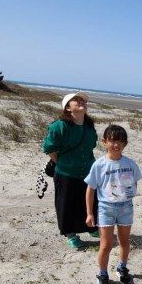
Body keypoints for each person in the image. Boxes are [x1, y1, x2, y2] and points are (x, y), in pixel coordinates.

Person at [84, 124, 142, 284]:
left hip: (126, 208)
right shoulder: (99, 165)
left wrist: (129, 192)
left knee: (124, 241)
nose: (116, 145)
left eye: (120, 141)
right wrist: (89, 213)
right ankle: (102, 275)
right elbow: (90, 189)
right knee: (106, 244)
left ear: (125, 144)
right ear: (104, 142)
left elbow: (134, 182)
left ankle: (122, 267)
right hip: (105, 208)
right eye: (112, 141)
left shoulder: (130, 163)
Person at [42, 92, 99, 250]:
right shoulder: (59, 126)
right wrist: (62, 163)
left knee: (89, 202)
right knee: (66, 204)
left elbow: (91, 146)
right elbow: (49, 148)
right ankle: (71, 235)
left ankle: (92, 228)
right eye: (77, 100)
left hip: (88, 171)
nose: (82, 102)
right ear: (67, 108)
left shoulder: (88, 126)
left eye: (83, 100)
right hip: (66, 173)